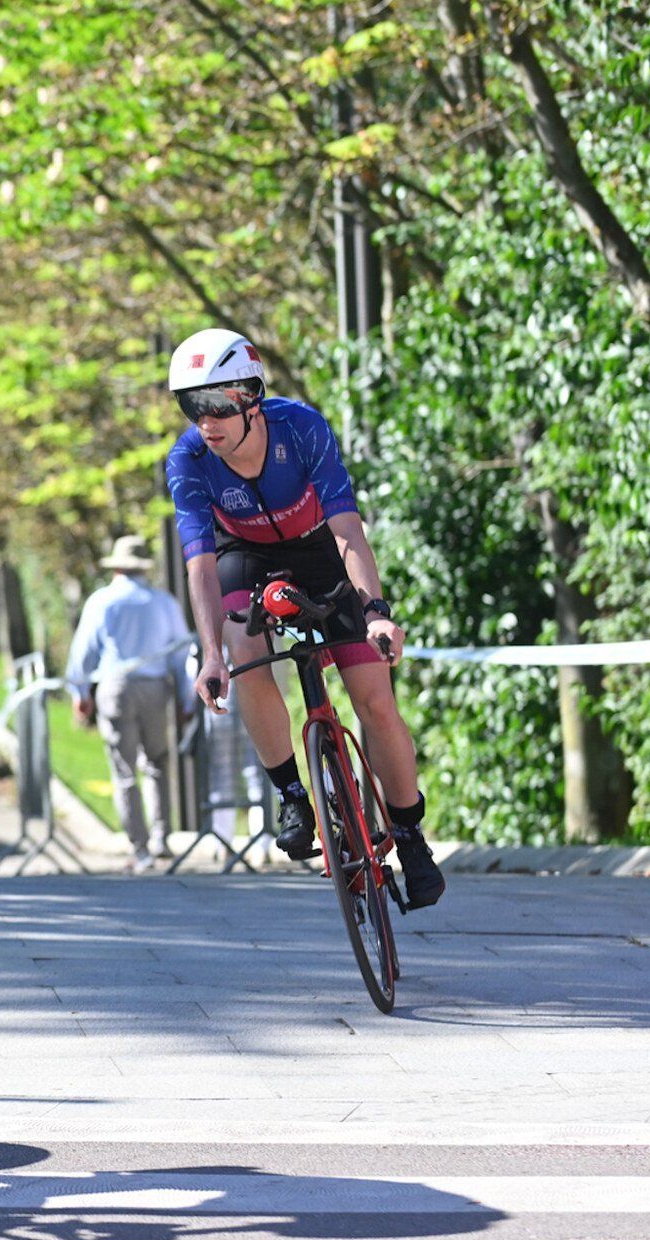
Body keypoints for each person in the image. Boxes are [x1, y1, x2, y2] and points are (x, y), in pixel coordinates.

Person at [164, 327, 444, 908]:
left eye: (217, 405)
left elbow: (347, 529)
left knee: (374, 699)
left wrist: (376, 613)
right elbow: (201, 568)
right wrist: (211, 654)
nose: (205, 421)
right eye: (192, 406)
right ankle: (293, 792)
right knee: (243, 646)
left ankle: (411, 832)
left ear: (250, 398)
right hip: (247, 556)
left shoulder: (301, 427)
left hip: (322, 549)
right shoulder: (188, 459)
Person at [66, 535, 192, 873]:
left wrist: (80, 693)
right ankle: (162, 836)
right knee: (157, 762)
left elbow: (83, 653)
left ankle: (139, 846)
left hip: (116, 686)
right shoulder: (163, 602)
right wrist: (186, 697)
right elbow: (181, 654)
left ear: (117, 566)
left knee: (124, 770)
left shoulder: (102, 601)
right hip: (155, 686)